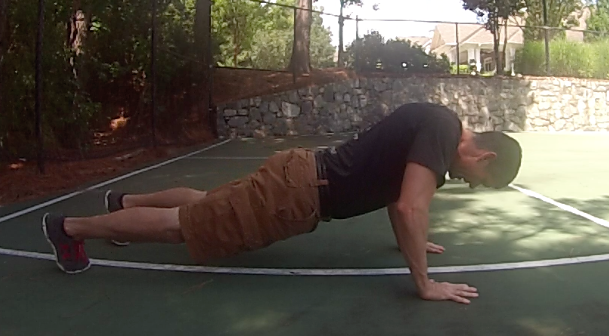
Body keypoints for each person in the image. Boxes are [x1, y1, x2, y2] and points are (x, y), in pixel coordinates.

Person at [41, 102, 522, 304]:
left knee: (207, 202)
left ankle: (123, 201)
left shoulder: (438, 123)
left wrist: (412, 243)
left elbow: (399, 200)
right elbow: (409, 208)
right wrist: (425, 284)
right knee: (184, 225)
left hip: (298, 175)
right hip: (297, 193)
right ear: (485, 155)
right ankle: (72, 230)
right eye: (480, 179)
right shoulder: (442, 133)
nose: (470, 184)